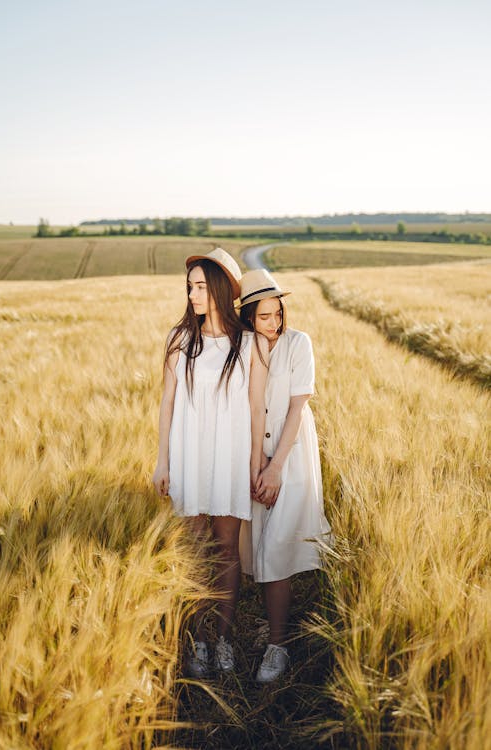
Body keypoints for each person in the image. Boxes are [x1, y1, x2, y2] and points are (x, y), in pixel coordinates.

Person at [153, 248, 268, 678]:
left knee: (226, 550)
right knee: (196, 550)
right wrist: (162, 461)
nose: (192, 294)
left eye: (201, 286)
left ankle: (221, 638)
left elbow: (257, 409)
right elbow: (167, 404)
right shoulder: (180, 340)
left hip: (231, 457)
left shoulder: (249, 342)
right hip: (189, 456)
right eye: (190, 286)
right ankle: (198, 639)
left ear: (220, 289)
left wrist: (255, 464)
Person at [239, 269, 332, 683]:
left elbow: (297, 409)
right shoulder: (245, 348)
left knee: (277, 547)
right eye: (264, 316)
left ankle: (278, 647)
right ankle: (275, 627)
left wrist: (275, 468)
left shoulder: (299, 344)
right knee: (260, 546)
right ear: (248, 318)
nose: (274, 323)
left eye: (277, 313)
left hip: (291, 457)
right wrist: (255, 464)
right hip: (254, 455)